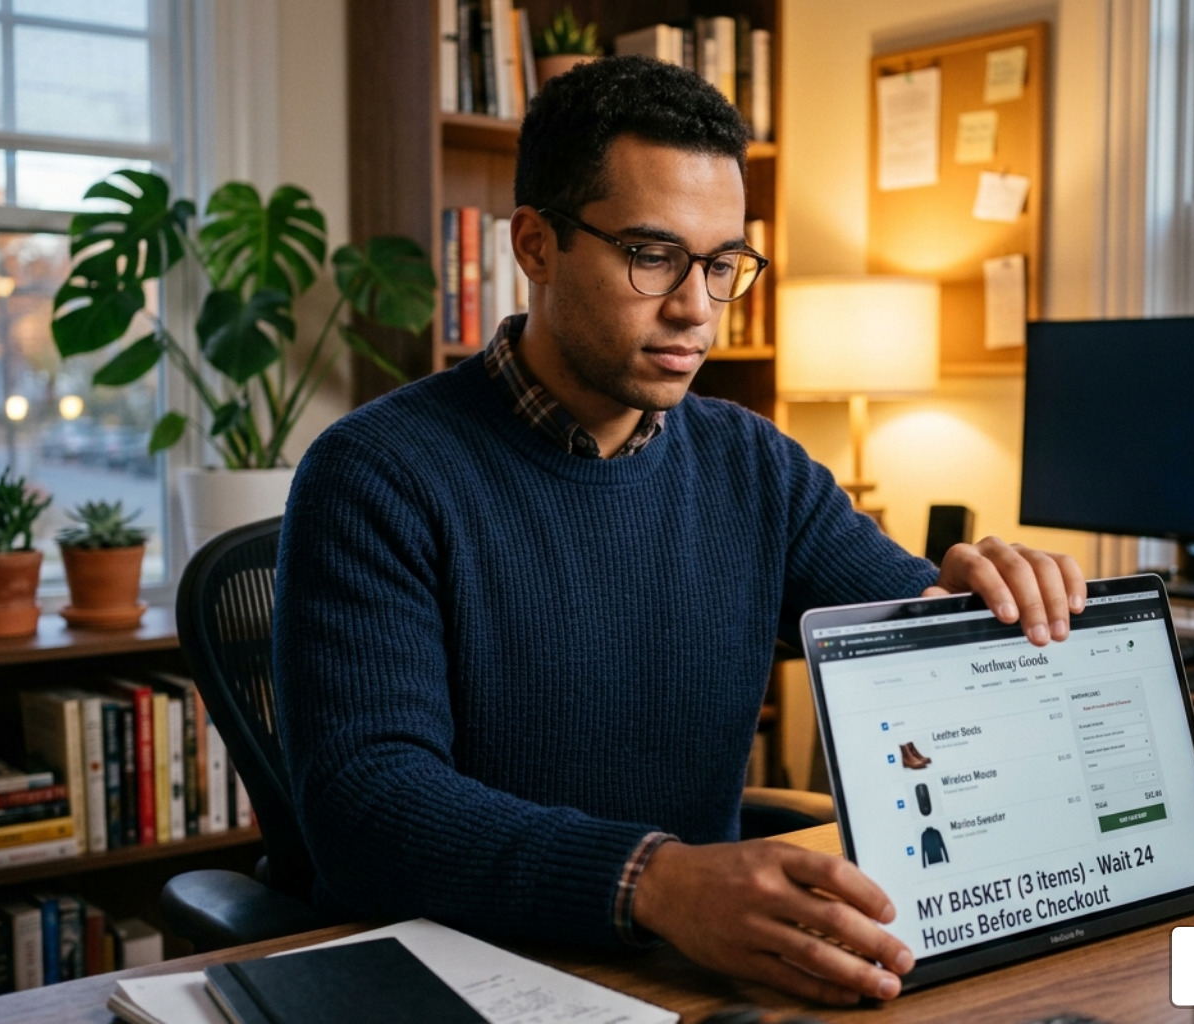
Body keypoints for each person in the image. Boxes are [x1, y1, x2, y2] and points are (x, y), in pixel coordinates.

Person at [272, 55, 1084, 1007]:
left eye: (722, 264)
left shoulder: (755, 464)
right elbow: (369, 808)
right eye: (652, 256)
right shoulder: (375, 472)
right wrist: (652, 881)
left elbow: (905, 643)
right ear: (534, 244)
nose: (697, 307)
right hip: (447, 975)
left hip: (681, 972)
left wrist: (979, 600)